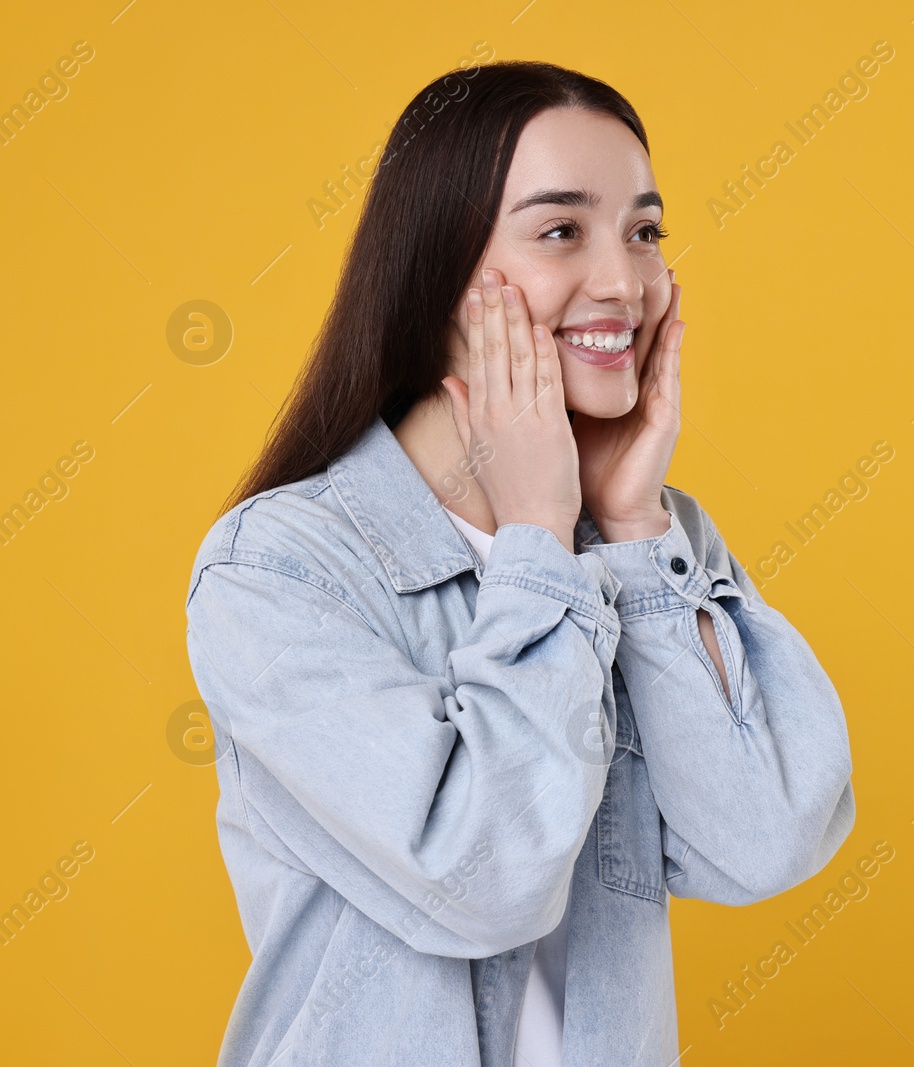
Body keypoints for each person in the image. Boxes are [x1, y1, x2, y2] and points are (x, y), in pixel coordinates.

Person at [183, 59, 855, 1066]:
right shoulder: (278, 568)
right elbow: (480, 879)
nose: (625, 282)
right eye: (560, 231)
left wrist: (628, 528)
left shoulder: (643, 542)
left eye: (643, 230)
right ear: (438, 269)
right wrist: (538, 539)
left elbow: (763, 841)